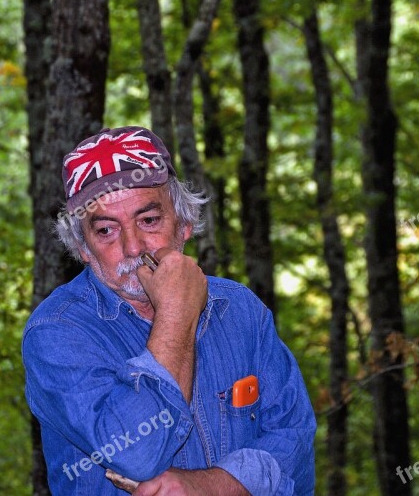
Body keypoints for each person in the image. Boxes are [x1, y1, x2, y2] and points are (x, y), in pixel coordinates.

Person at [23, 126, 316, 495]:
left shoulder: (240, 310)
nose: (133, 247)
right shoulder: (57, 331)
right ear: (83, 247)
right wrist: (177, 313)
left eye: (149, 221)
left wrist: (213, 486)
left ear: (184, 223)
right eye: (106, 231)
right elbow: (136, 453)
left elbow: (297, 448)